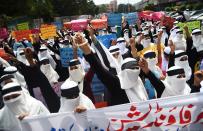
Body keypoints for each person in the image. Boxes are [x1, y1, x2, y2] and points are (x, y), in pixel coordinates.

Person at [75, 32, 148, 105]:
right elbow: (99, 69)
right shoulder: (117, 83)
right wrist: (86, 50)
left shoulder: (138, 80)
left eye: (135, 68)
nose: (134, 70)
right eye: (131, 68)